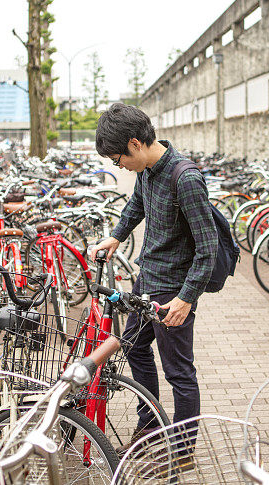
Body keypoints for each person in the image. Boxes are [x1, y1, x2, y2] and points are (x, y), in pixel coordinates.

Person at [88, 103, 218, 450]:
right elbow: (137, 205)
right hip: (148, 278)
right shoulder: (147, 170)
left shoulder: (185, 178)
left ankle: (183, 448)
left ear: (135, 144)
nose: (120, 166)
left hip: (173, 288)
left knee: (178, 372)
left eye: (118, 160)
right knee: (133, 346)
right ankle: (151, 424)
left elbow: (208, 248)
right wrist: (116, 235)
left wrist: (186, 299)